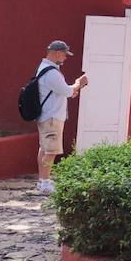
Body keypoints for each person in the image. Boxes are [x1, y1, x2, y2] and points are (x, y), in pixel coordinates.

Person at [33, 40, 88, 195]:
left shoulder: (45, 69)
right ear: (57, 53)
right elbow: (68, 91)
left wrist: (71, 90)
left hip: (47, 115)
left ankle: (44, 180)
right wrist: (79, 83)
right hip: (52, 117)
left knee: (45, 148)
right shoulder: (51, 73)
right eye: (64, 54)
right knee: (50, 151)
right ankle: (44, 182)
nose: (65, 58)